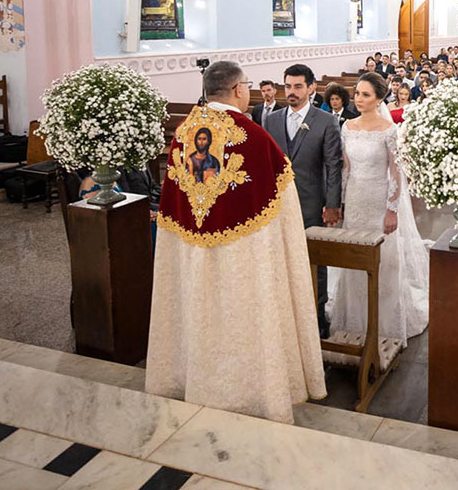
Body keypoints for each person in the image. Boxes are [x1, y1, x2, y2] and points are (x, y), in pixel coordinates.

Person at [147, 61, 325, 423]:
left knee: (201, 315)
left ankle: (195, 381)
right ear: (239, 89)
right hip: (244, 262)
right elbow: (284, 209)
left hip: (194, 256)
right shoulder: (254, 137)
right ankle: (256, 391)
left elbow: (172, 204)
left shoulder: (183, 132)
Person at [330, 72, 429, 344]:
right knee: (354, 258)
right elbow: (346, 169)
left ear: (379, 99)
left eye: (365, 95)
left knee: (384, 259)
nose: (358, 99)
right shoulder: (347, 127)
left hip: (379, 199)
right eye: (357, 93)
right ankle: (355, 320)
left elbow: (395, 173)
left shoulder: (389, 129)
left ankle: (385, 322)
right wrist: (340, 204)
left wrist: (392, 210)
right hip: (356, 202)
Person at [263, 64, 343, 336]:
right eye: (288, 86)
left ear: (311, 88)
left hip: (312, 202)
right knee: (282, 260)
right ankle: (287, 315)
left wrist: (332, 205)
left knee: (314, 261)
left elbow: (333, 166)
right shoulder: (272, 120)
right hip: (278, 206)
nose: (292, 92)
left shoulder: (326, 121)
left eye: (298, 86)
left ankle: (318, 318)